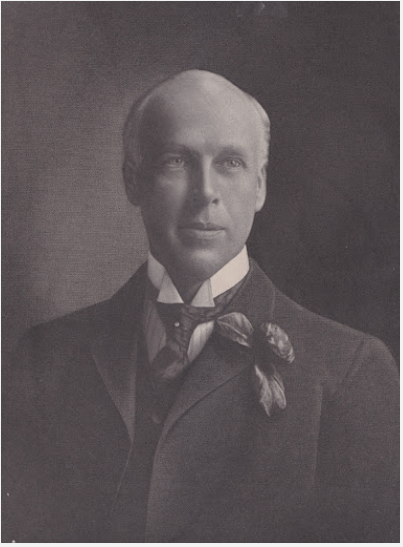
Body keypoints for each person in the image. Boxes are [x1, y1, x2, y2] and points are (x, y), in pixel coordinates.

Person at [3, 70, 399, 542]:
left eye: (230, 162)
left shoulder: (350, 371)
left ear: (260, 186)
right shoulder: (44, 359)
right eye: (176, 160)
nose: (205, 191)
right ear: (133, 180)